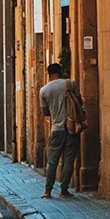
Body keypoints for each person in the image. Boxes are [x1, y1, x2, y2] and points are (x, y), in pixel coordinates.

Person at [38, 62, 85, 199]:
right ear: (61, 71)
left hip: (56, 129)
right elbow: (79, 103)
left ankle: (48, 191)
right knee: (69, 160)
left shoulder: (44, 90)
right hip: (72, 127)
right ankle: (64, 190)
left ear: (49, 74)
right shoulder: (70, 84)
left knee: (52, 161)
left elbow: (46, 112)